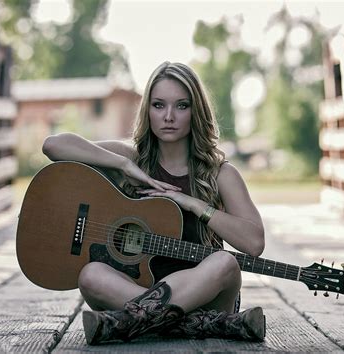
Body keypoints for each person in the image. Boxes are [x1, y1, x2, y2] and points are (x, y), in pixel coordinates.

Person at [42, 61, 266, 345]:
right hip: (137, 289)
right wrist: (122, 164)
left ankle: (129, 322)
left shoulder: (220, 173)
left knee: (224, 262)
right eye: (159, 105)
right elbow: (53, 145)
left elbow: (255, 243)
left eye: (181, 106)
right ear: (147, 109)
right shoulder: (134, 160)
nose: (169, 116)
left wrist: (196, 205)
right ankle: (204, 326)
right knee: (90, 275)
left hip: (208, 296)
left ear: (195, 111)